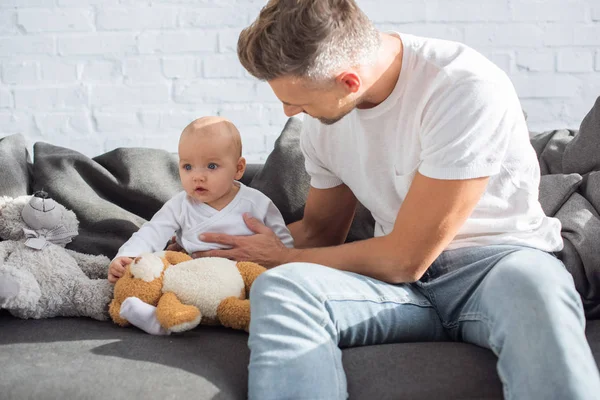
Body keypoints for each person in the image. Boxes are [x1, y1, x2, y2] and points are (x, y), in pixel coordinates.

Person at [182, 1, 600, 399]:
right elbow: (319, 232)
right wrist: (207, 250)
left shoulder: (462, 86)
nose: (290, 111)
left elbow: (406, 257)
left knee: (538, 290)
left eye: (299, 100)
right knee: (281, 288)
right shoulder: (323, 120)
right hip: (395, 289)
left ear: (349, 81)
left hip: (497, 268)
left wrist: (284, 258)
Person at [107, 116, 293, 335]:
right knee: (152, 267)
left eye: (211, 166)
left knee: (267, 287)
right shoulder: (180, 204)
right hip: (190, 277)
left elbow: (282, 245)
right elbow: (152, 232)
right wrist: (127, 256)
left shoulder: (256, 203)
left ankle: (252, 314)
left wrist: (281, 268)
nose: (197, 177)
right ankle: (154, 315)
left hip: (238, 280)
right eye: (187, 167)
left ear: (238, 168)